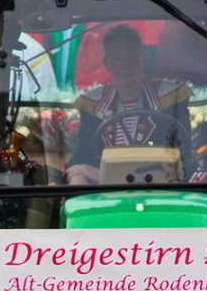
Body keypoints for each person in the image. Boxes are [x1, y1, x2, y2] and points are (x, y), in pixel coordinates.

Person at [65, 26, 196, 185]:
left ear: (142, 59)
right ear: (107, 64)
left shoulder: (171, 97)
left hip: (161, 182)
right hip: (107, 187)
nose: (125, 66)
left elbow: (183, 153)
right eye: (117, 59)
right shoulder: (92, 104)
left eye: (131, 58)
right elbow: (83, 155)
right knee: (77, 174)